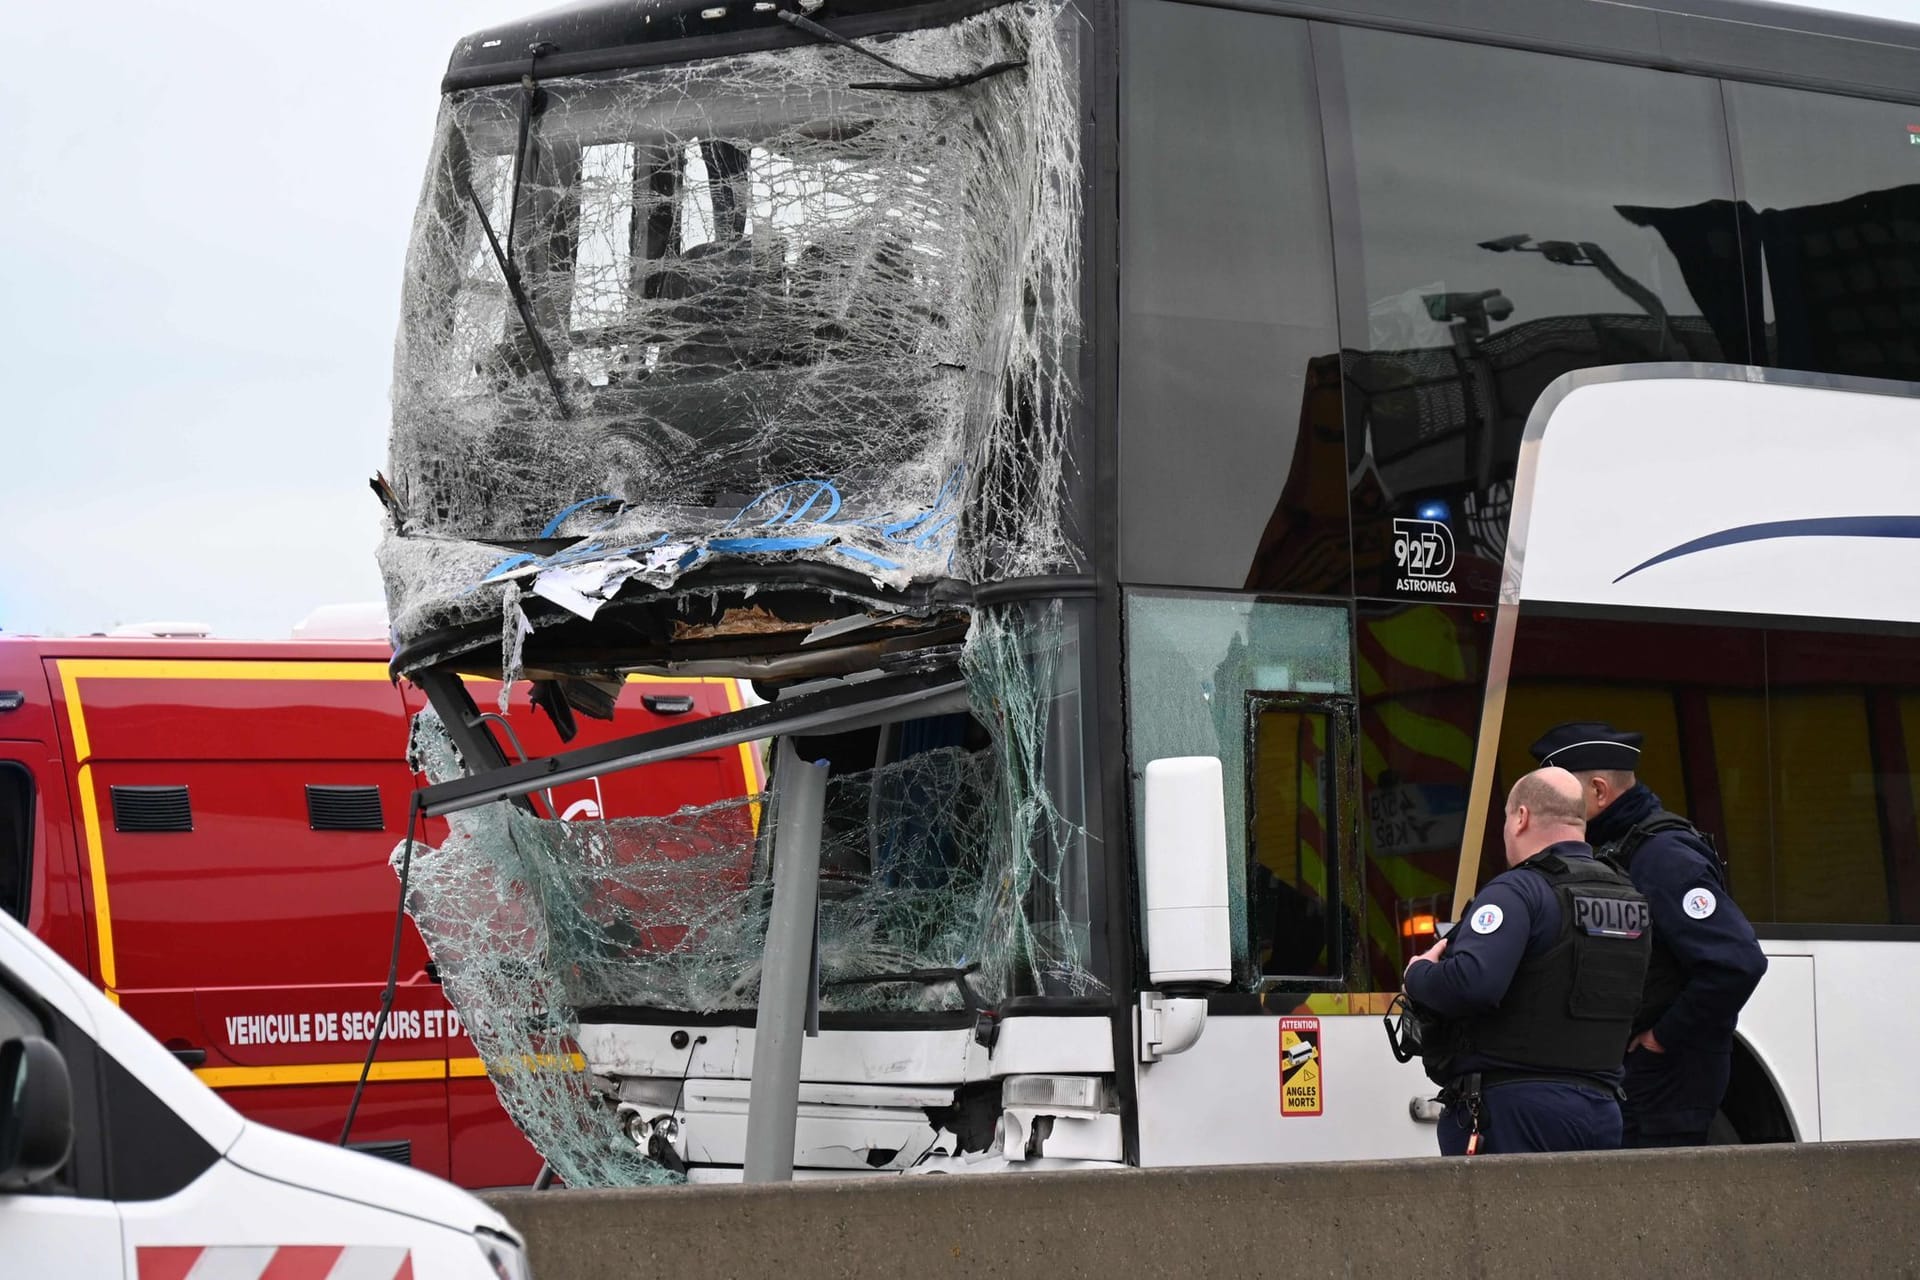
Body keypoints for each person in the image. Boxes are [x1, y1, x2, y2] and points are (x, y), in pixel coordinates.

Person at [1529, 721, 1769, 1148]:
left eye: (1560, 797)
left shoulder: (1662, 856)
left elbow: (1737, 963)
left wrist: (1662, 1038)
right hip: (1638, 1078)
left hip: (1664, 1083)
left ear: (1599, 792)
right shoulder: (1618, 848)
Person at [1404, 767, 1651, 1155]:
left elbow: (1473, 983)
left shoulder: (1517, 891)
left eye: (1506, 817)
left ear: (1521, 817)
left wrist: (1418, 973)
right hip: (1602, 1109)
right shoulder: (1628, 895)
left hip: (1513, 1112)